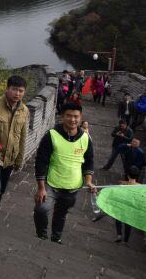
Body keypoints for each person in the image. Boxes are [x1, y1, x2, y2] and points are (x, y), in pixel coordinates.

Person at [34, 102, 96, 243]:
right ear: (62, 116)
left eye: (76, 116)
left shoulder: (85, 138)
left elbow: (89, 160)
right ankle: (41, 235)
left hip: (72, 186)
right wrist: (41, 188)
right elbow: (41, 161)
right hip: (51, 182)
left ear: (80, 117)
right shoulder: (52, 135)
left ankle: (56, 238)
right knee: (41, 209)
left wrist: (88, 181)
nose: (72, 120)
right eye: (69, 116)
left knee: (61, 214)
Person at [0, 75, 29, 224]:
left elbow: (22, 137)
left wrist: (19, 160)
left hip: (9, 159)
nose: (17, 94)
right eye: (14, 89)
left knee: (1, 190)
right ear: (7, 89)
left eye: (21, 91)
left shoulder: (24, 110)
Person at [114, 166, 141, 243]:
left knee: (118, 219)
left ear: (128, 175)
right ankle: (126, 240)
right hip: (131, 208)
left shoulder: (122, 185)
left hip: (122, 205)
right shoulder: (140, 186)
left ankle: (119, 235)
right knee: (128, 224)